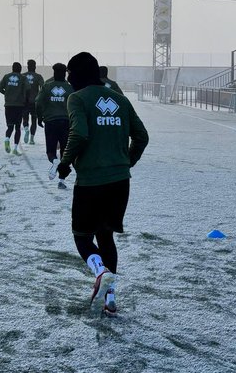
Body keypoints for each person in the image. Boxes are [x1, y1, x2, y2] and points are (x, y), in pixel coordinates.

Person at [56, 51, 149, 316]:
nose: (69, 78)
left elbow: (80, 133)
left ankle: (101, 271)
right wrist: (126, 162)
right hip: (120, 183)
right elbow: (142, 136)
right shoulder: (120, 100)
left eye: (71, 73)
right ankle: (110, 298)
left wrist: (65, 163)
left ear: (80, 75)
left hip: (91, 182)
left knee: (82, 238)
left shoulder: (77, 98)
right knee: (106, 236)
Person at [35, 63, 73, 187]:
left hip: (50, 122)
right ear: (65, 73)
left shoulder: (47, 87)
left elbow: (38, 103)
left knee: (51, 151)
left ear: (54, 73)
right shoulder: (70, 88)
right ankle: (61, 180)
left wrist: (40, 117)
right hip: (66, 123)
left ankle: (54, 161)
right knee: (64, 152)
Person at [0, 62, 26, 154]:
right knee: (18, 127)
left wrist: (6, 93)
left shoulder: (6, 76)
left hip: (8, 105)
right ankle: (15, 149)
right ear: (20, 69)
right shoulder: (22, 78)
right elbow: (28, 88)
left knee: (10, 126)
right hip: (19, 105)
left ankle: (7, 139)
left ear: (12, 68)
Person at [22, 59, 45, 144]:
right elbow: (43, 87)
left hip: (24, 101)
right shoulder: (38, 76)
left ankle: (26, 128)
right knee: (34, 120)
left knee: (25, 118)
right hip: (35, 101)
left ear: (27, 67)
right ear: (35, 66)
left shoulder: (22, 76)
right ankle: (32, 138)